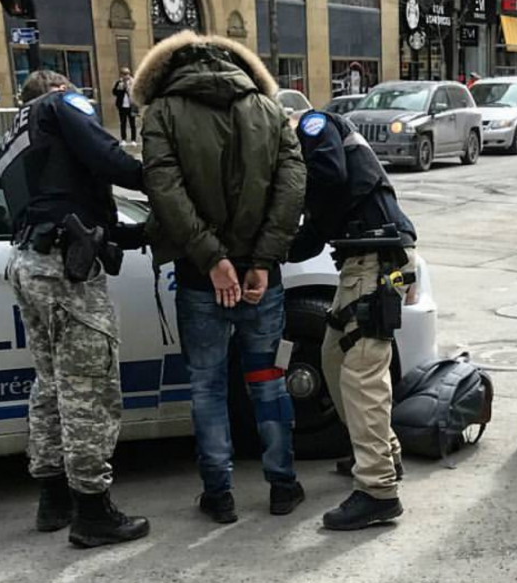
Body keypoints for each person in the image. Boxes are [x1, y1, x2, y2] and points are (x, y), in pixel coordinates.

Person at [133, 30, 308, 524]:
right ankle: (282, 485)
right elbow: (291, 189)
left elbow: (164, 189)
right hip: (260, 276)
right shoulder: (272, 112)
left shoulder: (161, 114)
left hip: (198, 276)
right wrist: (261, 260)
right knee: (267, 379)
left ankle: (220, 495)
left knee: (207, 387)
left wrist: (211, 259)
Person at [0, 70, 149, 548]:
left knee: (51, 385)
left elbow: (58, 201)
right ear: (59, 91)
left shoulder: (17, 133)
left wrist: (132, 233)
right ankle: (93, 512)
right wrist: (163, 175)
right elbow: (113, 163)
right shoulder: (59, 106)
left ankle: (54, 498)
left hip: (28, 263)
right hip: (66, 271)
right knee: (88, 388)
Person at [290, 107, 418, 531]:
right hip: (362, 261)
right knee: (335, 358)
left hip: (377, 259)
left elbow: (326, 174)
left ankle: (378, 491)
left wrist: (285, 203)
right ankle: (384, 453)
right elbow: (315, 229)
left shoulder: (313, 124)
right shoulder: (319, 146)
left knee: (362, 374)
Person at [112, 67, 138, 146]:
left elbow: (136, 91)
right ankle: (123, 139)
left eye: (127, 74)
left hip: (131, 106)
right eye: (124, 74)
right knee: (123, 123)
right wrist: (121, 88)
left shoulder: (133, 82)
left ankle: (133, 140)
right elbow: (114, 92)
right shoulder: (119, 83)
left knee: (132, 123)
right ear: (121, 75)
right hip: (122, 106)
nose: (126, 76)